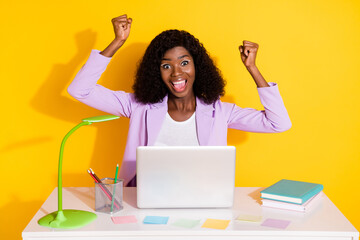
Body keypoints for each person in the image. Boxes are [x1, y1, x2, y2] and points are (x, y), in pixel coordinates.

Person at [68, 15, 291, 186]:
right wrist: (117, 42)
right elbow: (80, 90)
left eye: (184, 63)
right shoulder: (138, 106)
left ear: (197, 67)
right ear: (156, 72)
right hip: (143, 198)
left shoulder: (220, 112)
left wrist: (253, 68)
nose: (176, 73)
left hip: (203, 196)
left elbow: (278, 123)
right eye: (167, 66)